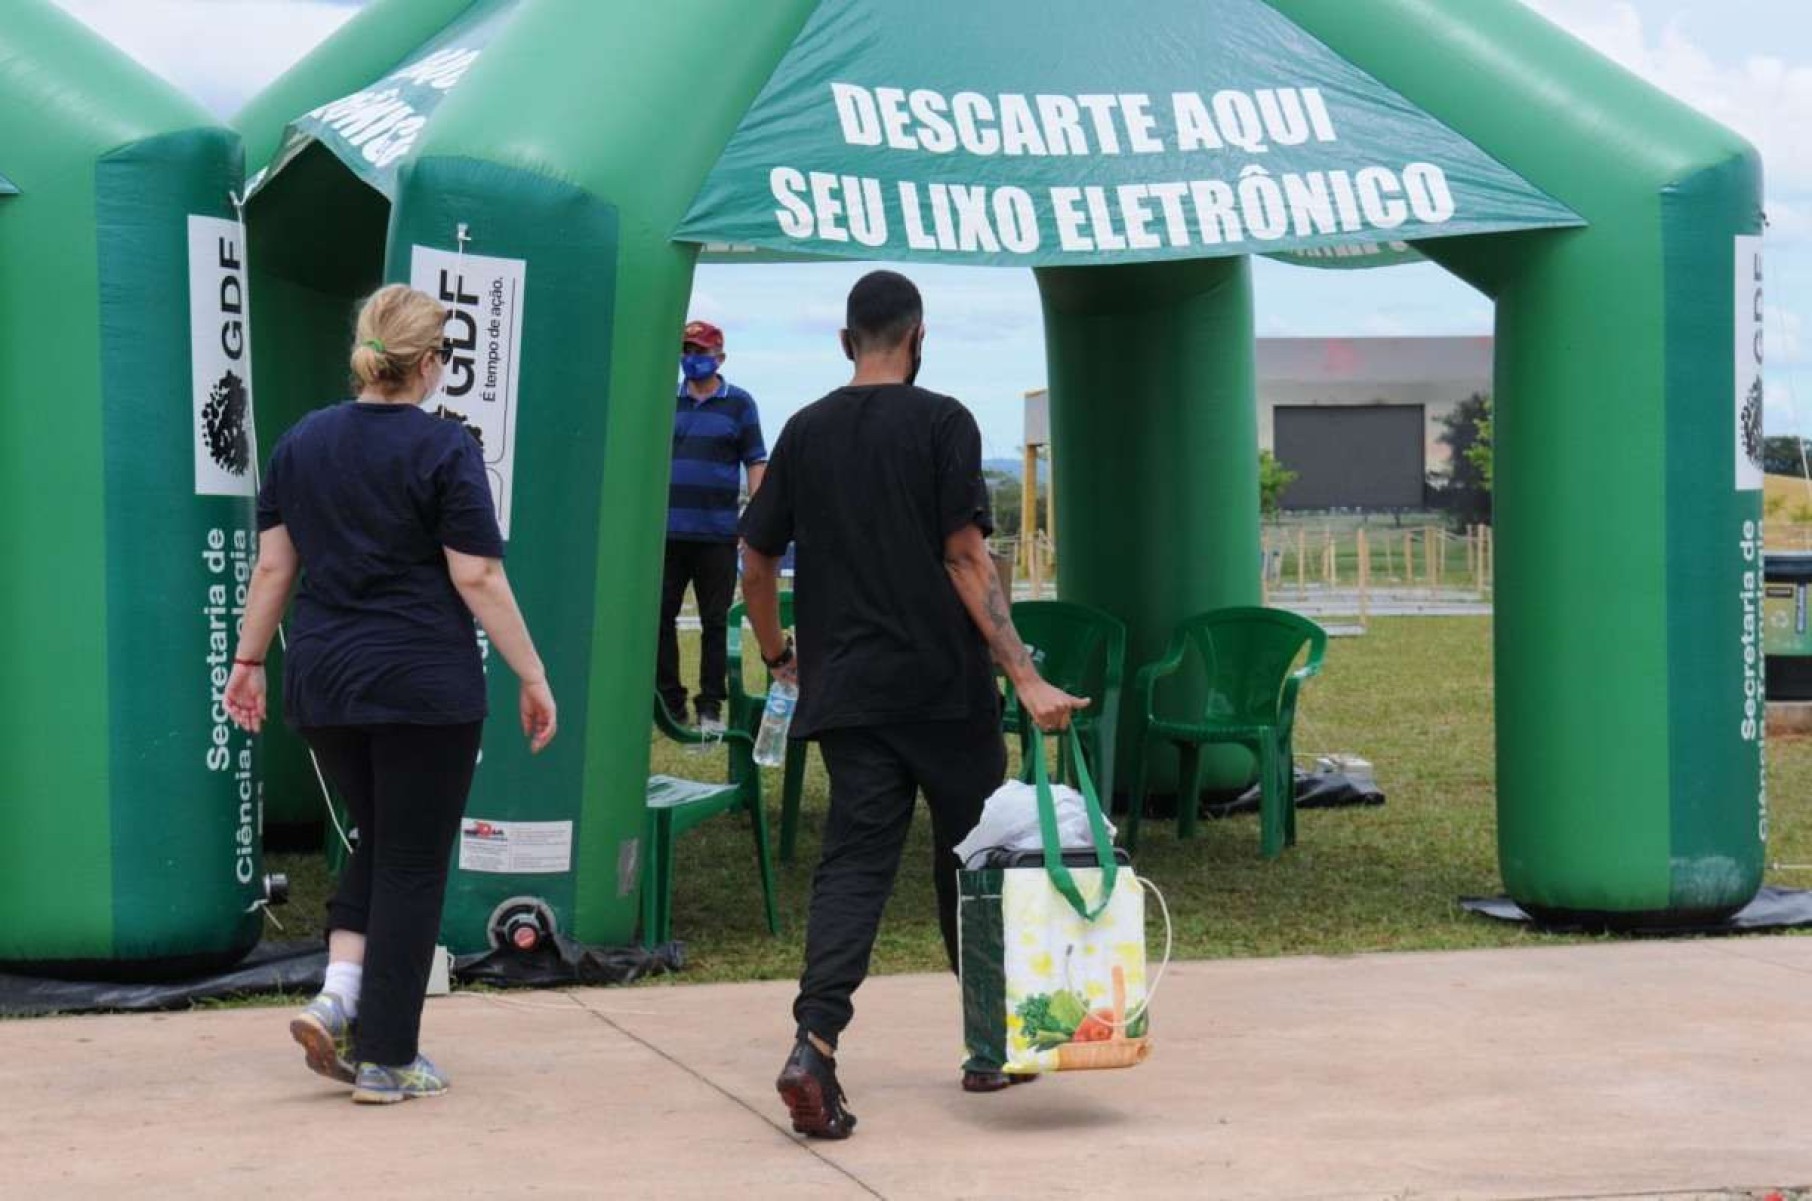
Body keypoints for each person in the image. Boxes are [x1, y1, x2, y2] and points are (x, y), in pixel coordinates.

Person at [739, 270, 1087, 1140]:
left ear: (845, 339)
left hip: (848, 694)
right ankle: (990, 1046)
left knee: (854, 866)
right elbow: (966, 558)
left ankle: (813, 1043)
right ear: (918, 334)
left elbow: (753, 558)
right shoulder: (943, 421)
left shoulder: (805, 431)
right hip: (943, 690)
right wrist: (1025, 674)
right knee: (972, 863)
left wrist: (781, 654)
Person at [223, 284, 557, 1105]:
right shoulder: (445, 448)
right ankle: (389, 1055)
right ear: (431, 361)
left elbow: (274, 565)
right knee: (413, 862)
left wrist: (248, 659)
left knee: (376, 839)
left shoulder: (302, 442)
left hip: (326, 681)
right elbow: (475, 572)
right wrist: (533, 672)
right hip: (421, 683)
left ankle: (339, 996)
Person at [656, 319, 767, 734]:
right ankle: (670, 702)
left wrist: (753, 520)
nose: (692, 358)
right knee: (661, 619)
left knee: (715, 621)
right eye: (686, 350)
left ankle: (710, 704)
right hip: (666, 534)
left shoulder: (740, 404)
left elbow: (756, 461)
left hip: (718, 533)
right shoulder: (668, 402)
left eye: (700, 351)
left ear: (719, 357)